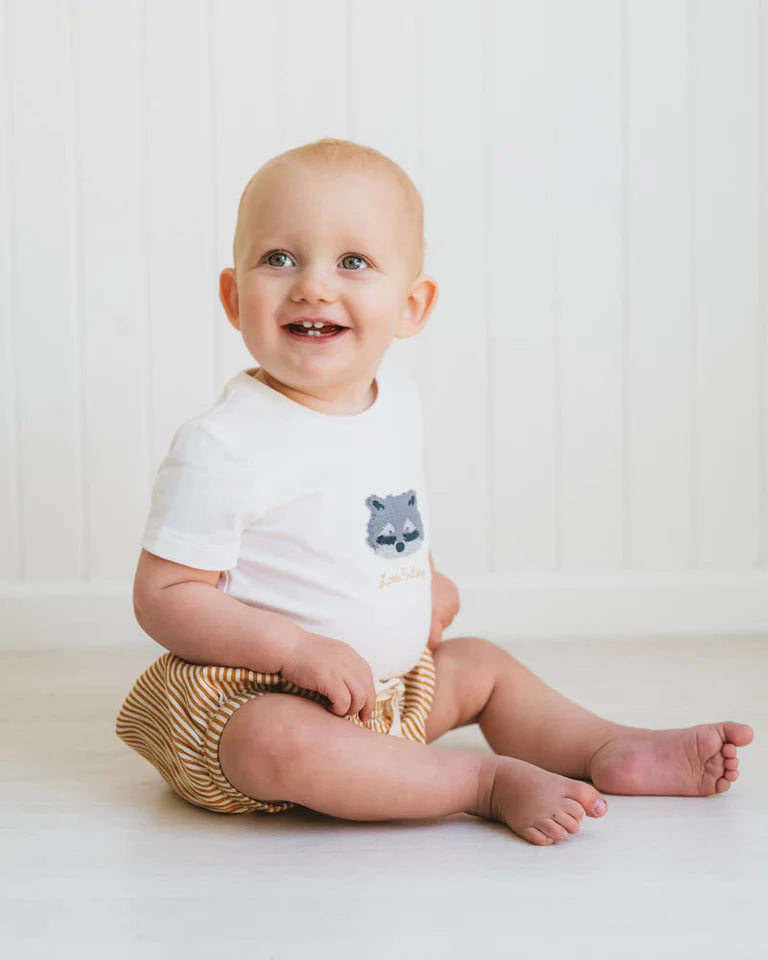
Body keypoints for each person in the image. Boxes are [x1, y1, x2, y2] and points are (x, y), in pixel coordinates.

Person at [116, 138, 754, 846]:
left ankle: (609, 747)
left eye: (353, 262)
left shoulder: (397, 405)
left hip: (386, 694)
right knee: (279, 743)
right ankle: (479, 783)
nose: (313, 286)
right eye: (278, 258)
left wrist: (418, 583)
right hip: (256, 701)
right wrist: (293, 650)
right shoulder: (225, 445)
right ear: (235, 297)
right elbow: (166, 596)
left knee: (481, 666)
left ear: (411, 306)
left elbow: (368, 522)